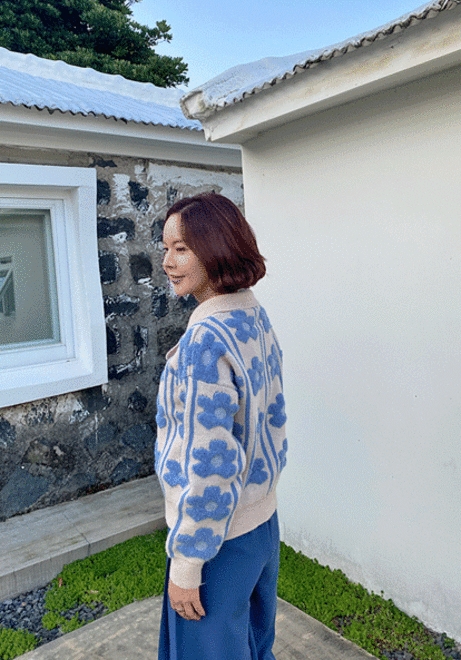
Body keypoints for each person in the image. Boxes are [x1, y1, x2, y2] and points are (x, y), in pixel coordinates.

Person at [155, 192, 287, 660]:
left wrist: (187, 565)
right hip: (261, 526)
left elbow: (211, 465)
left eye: (182, 249)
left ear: (215, 249)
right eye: (165, 248)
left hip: (217, 542)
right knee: (255, 646)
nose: (167, 262)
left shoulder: (204, 343)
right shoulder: (251, 315)